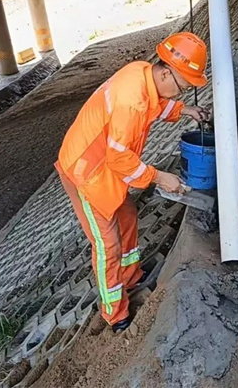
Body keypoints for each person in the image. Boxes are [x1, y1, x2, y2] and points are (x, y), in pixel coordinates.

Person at [55, 32, 211, 332]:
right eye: (182, 87)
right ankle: (115, 314)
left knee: (126, 216)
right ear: (166, 72)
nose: (180, 93)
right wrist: (159, 177)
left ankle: (131, 277)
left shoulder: (144, 76)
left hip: (104, 166)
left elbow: (156, 106)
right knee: (107, 245)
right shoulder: (131, 101)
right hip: (85, 172)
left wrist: (185, 110)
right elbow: (119, 159)